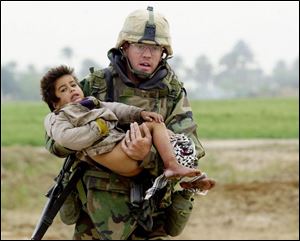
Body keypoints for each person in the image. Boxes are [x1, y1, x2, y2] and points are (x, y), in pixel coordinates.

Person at [44, 6, 215, 240]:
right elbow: (54, 141)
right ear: (124, 47)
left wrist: (145, 155)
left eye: (155, 48)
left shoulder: (172, 94)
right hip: (97, 216)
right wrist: (91, 138)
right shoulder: (93, 86)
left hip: (151, 215)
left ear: (164, 52)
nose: (147, 54)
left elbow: (189, 150)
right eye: (140, 46)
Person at [40, 65, 201, 179]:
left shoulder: (90, 103)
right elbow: (66, 138)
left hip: (121, 147)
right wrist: (100, 127)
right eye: (63, 90)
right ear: (55, 102)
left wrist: (140, 114)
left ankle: (185, 172)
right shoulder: (57, 116)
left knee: (161, 129)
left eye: (73, 85)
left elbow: (116, 109)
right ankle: (172, 166)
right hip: (112, 153)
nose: (72, 89)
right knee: (154, 130)